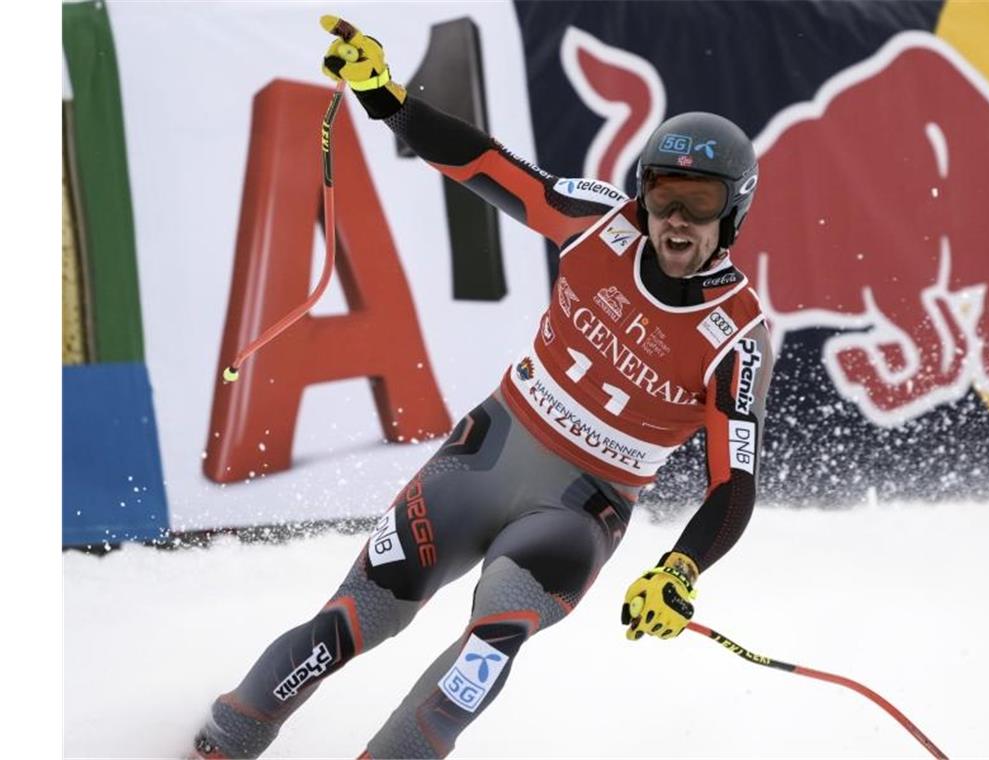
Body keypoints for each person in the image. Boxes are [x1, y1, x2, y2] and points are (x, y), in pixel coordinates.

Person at [192, 15, 775, 759]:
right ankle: (227, 737)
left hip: (576, 513)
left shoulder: (738, 335)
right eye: (663, 197)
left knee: (486, 649)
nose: (675, 221)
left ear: (734, 214)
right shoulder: (603, 223)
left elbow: (735, 482)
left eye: (700, 205)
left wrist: (681, 566)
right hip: (487, 455)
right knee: (353, 619)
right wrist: (387, 100)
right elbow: (491, 170)